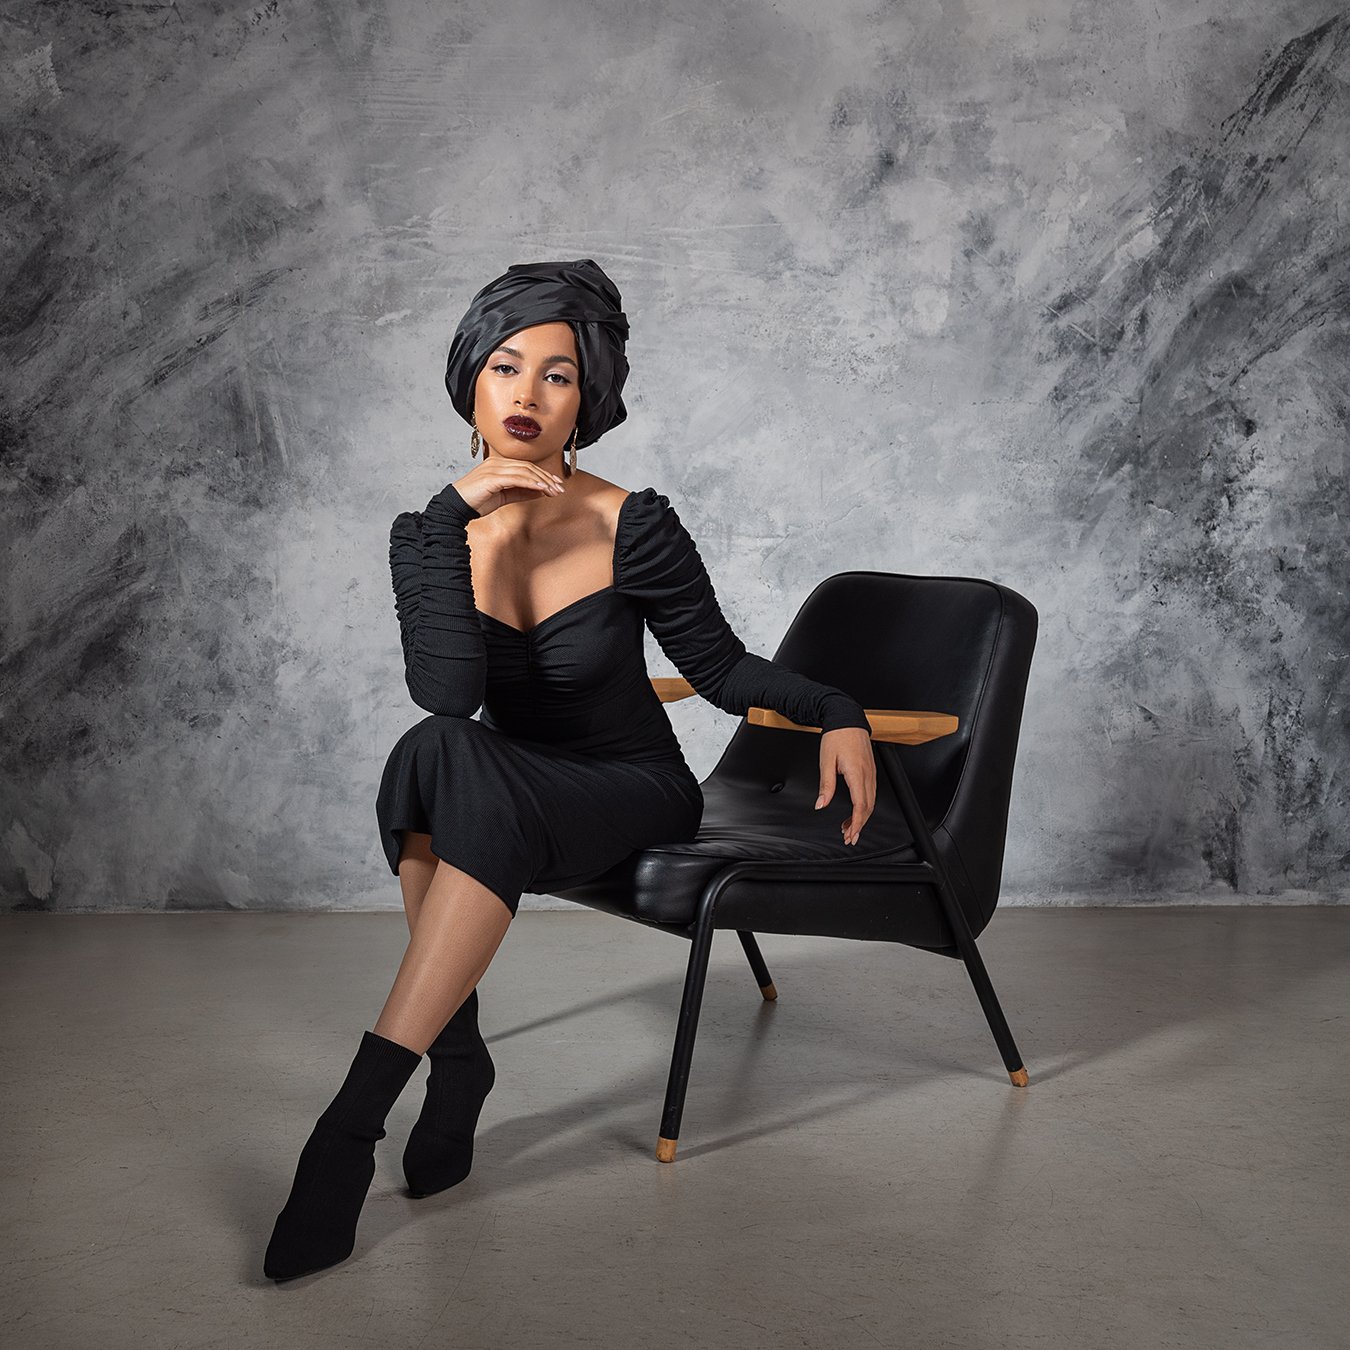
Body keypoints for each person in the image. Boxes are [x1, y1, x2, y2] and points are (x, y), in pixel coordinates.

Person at [262, 259, 877, 1281]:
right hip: (507, 784)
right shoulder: (428, 533)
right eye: (507, 367)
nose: (529, 395)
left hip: (631, 787)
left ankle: (352, 1123)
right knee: (431, 751)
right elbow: (448, 695)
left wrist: (837, 711)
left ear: (586, 399)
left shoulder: (633, 522)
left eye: (558, 376)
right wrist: (453, 522)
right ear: (471, 379)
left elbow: (720, 671)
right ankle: (457, 1059)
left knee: (458, 772)